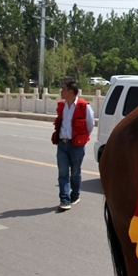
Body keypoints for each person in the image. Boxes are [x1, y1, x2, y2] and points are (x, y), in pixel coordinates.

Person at [51, 80, 94, 211]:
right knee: (63, 172)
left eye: (63, 89)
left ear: (71, 91)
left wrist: (81, 139)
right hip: (62, 144)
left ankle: (75, 195)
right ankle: (64, 200)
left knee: (75, 172)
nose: (61, 91)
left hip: (77, 145)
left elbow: (90, 126)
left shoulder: (84, 106)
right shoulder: (61, 106)